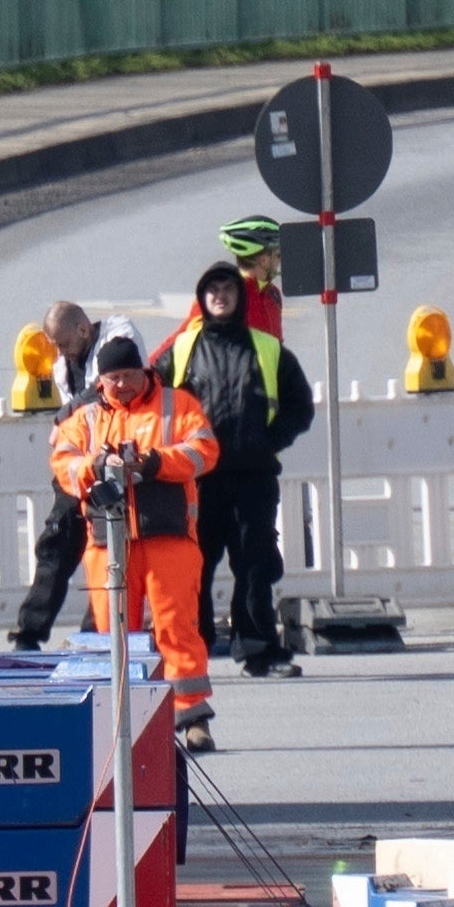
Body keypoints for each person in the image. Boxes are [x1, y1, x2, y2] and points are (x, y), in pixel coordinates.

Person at [44, 326, 221, 740]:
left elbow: (205, 451)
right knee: (114, 636)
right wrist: (97, 466)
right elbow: (63, 465)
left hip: (170, 538)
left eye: (129, 375)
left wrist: (154, 463)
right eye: (113, 378)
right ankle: (126, 727)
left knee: (177, 628)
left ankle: (192, 717)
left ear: (144, 372)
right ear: (100, 381)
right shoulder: (84, 417)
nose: (122, 384)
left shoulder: (177, 405)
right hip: (109, 543)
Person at [164, 225, 318, 679]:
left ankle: (258, 652)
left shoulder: (268, 350)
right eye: (212, 290)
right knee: (194, 566)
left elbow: (300, 406)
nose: (220, 296)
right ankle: (191, 653)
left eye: (227, 288)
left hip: (253, 476)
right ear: (202, 297)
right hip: (199, 479)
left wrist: (267, 442)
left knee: (254, 565)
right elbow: (146, 394)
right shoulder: (183, 348)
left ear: (239, 296)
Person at [7, 292, 105, 651]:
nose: (61, 354)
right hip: (78, 469)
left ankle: (95, 633)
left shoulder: (114, 338)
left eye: (64, 344)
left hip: (110, 469)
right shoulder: (64, 365)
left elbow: (107, 387)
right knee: (56, 545)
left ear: (83, 330)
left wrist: (67, 413)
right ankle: (29, 632)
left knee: (106, 553)